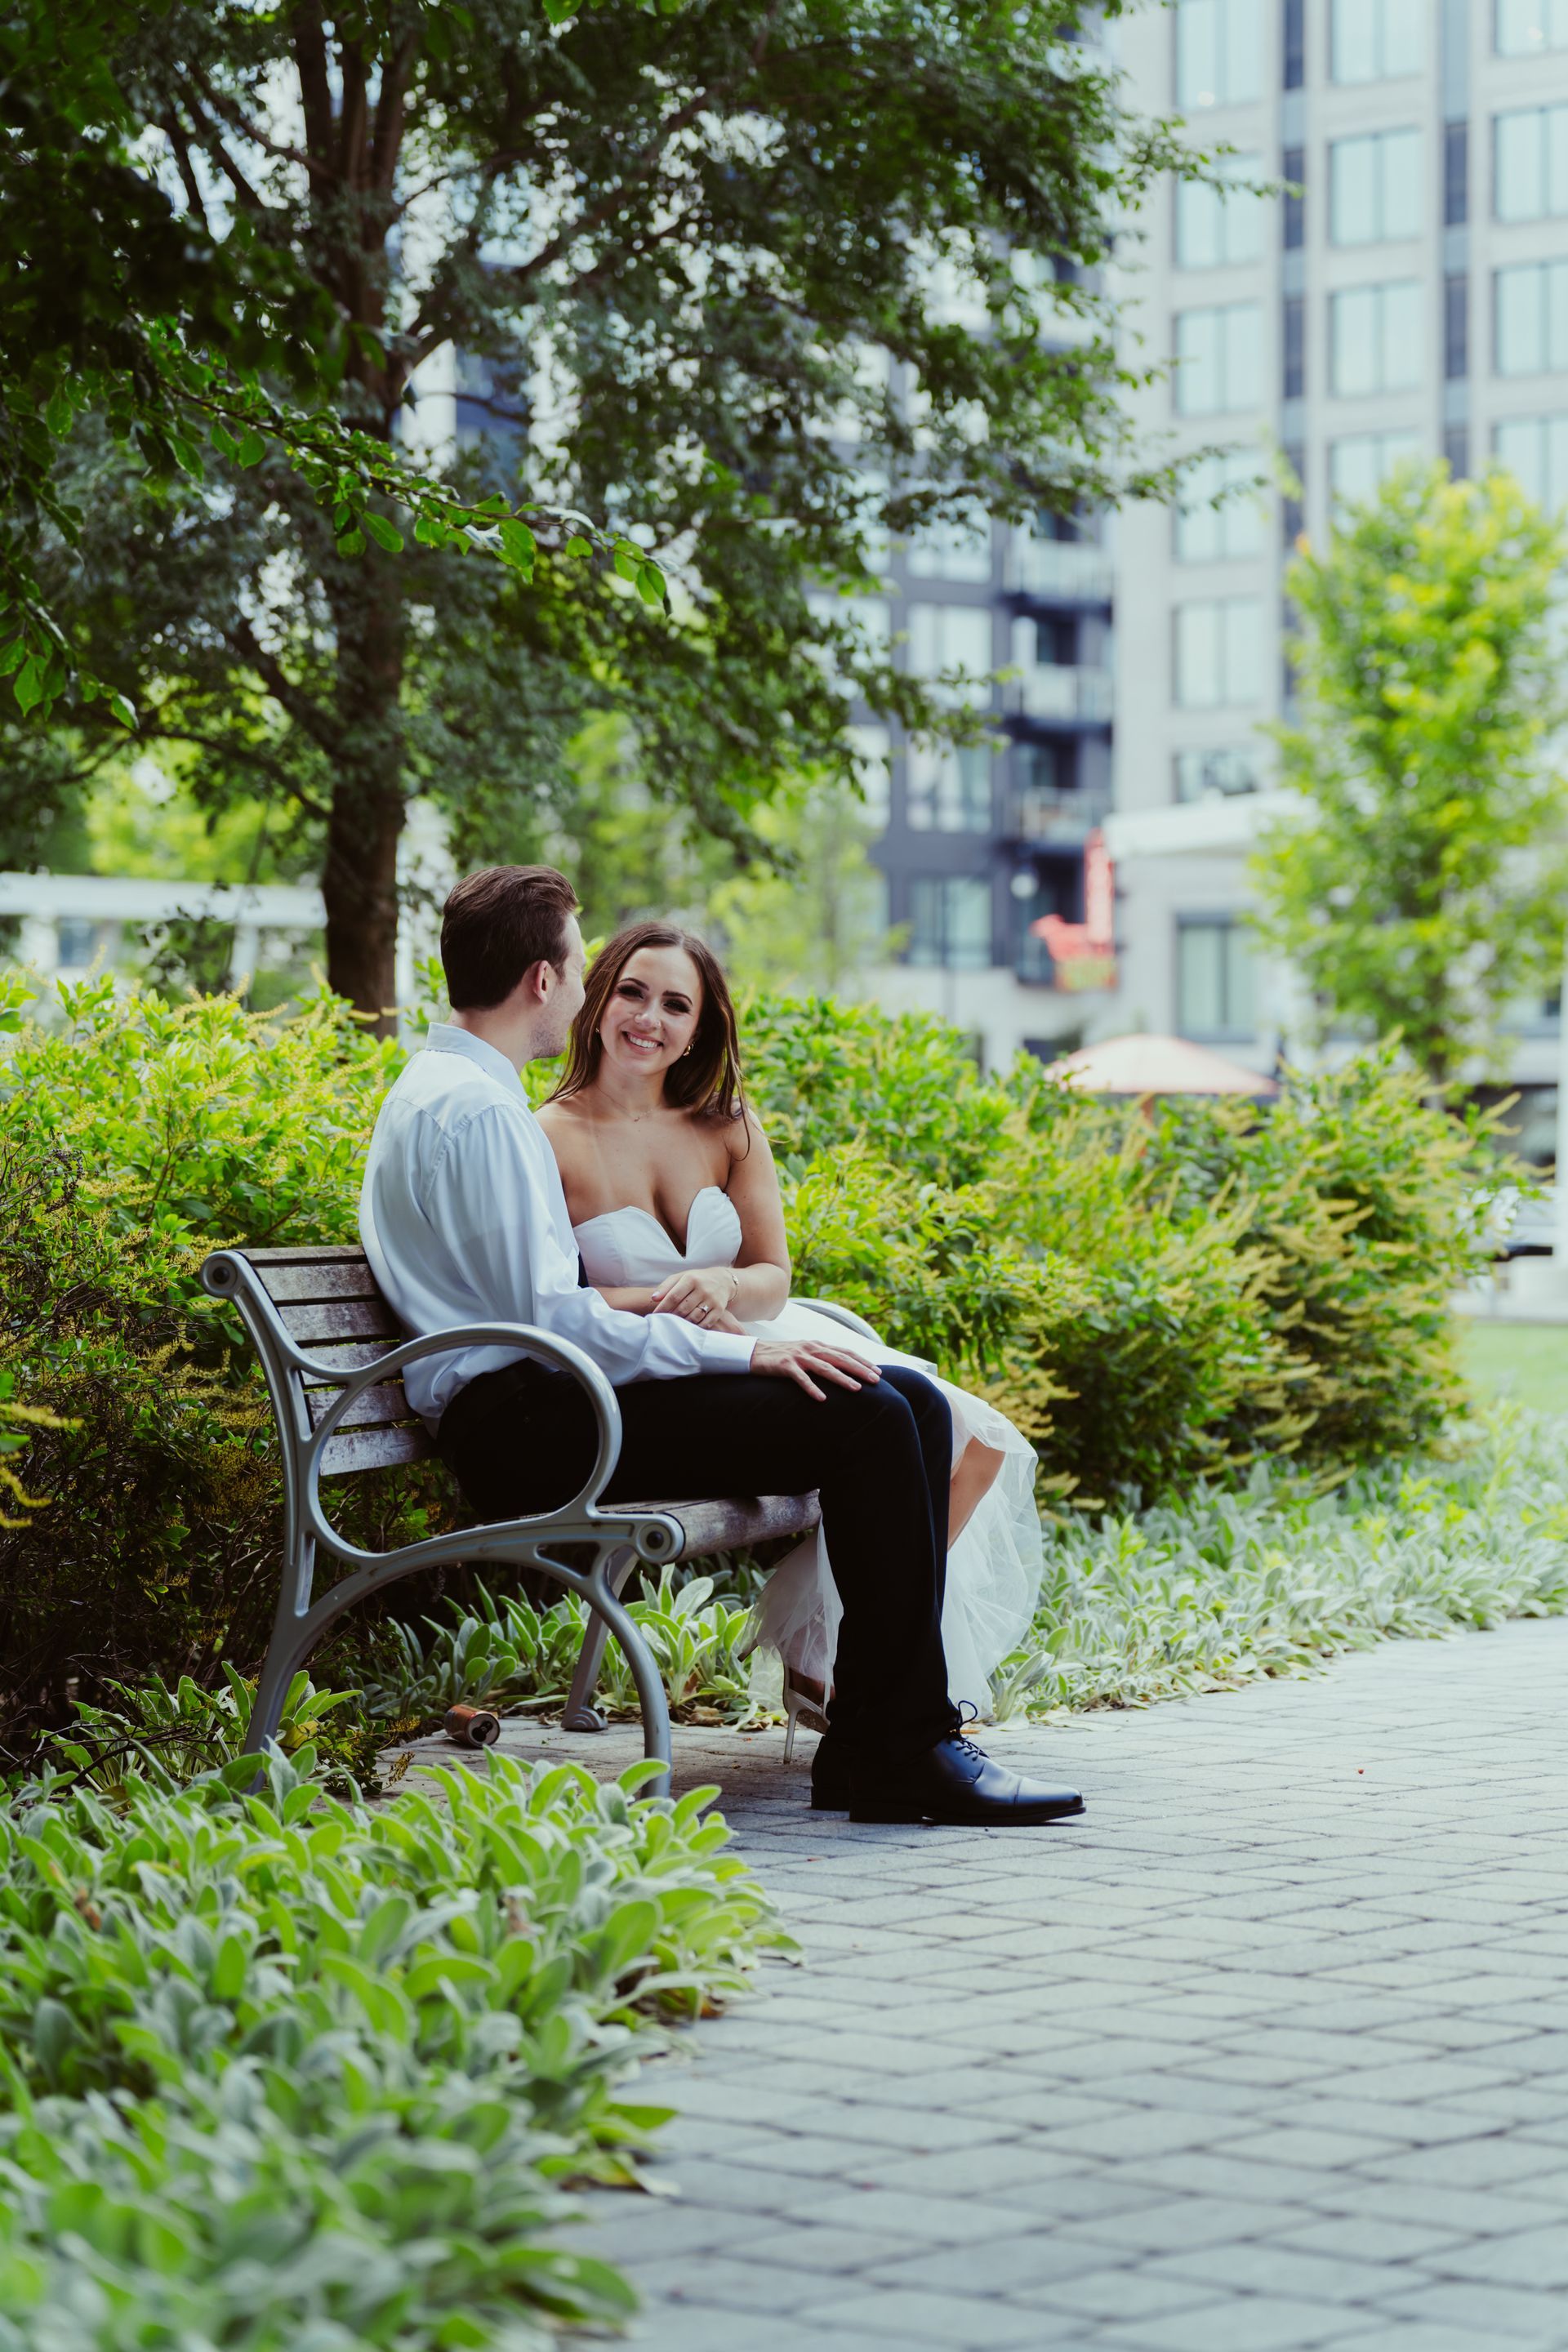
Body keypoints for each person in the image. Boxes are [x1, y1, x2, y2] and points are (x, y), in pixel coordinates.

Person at [359, 864, 1083, 1828]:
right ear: (543, 980)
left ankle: (888, 1736)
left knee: (901, 1402)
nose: (581, 987)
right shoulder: (488, 1111)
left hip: (549, 1398)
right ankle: (893, 1748)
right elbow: (555, 1319)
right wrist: (750, 1355)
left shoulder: (449, 1088)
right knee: (869, 1418)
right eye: (581, 967)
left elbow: (550, 1316)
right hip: (526, 1422)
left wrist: (747, 1337)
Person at [537, 920, 1045, 1746]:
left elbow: (774, 1273)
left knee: (973, 1436)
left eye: (676, 1004)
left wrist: (722, 1281)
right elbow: (559, 1301)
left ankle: (825, 1631)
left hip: (762, 1326)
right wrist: (665, 1298)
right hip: (664, 1366)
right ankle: (855, 1683)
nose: (650, 1019)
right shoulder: (549, 1135)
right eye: (633, 992)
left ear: (700, 1027)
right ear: (596, 1000)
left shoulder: (724, 1124)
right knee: (891, 1423)